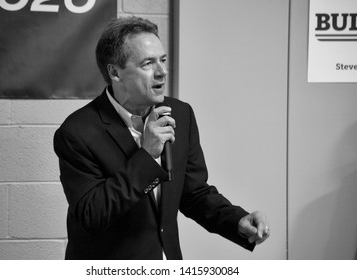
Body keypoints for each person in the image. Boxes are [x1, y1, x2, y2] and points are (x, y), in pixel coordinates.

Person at [53, 16, 270, 260]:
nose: (162, 72)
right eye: (148, 63)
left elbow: (194, 193)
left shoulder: (180, 113)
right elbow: (92, 215)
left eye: (163, 60)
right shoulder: (77, 132)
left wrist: (237, 220)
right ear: (115, 72)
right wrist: (146, 155)